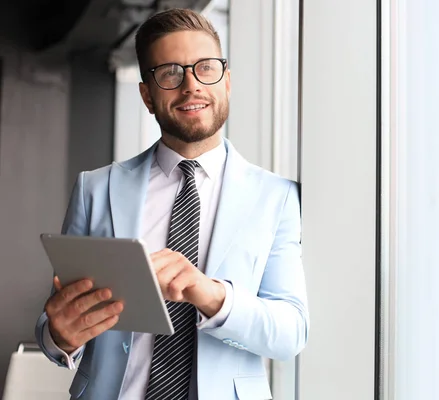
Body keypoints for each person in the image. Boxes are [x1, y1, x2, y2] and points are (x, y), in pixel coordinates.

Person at [34, 8, 309, 400]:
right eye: (170, 73)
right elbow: (53, 322)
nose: (191, 85)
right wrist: (58, 335)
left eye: (206, 68)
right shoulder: (94, 188)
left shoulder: (278, 196)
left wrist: (209, 293)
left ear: (226, 82)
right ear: (147, 94)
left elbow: (291, 332)